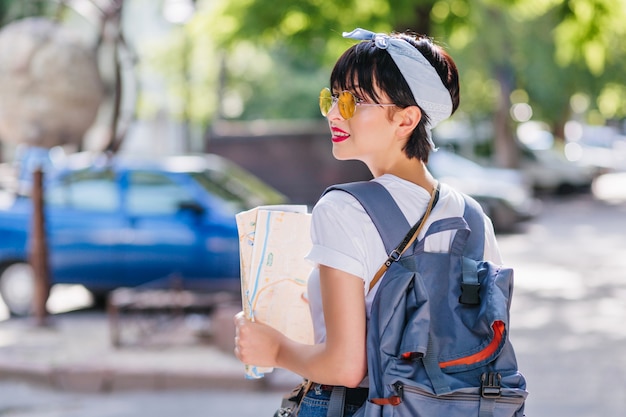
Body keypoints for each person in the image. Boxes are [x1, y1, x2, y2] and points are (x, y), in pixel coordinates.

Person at [234, 27, 503, 417]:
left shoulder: (344, 208)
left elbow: (346, 367)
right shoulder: (473, 218)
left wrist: (272, 348)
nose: (332, 112)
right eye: (333, 96)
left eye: (354, 100)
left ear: (406, 119)